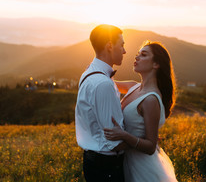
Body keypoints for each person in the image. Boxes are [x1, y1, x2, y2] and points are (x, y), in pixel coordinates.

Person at [104, 41, 178, 182]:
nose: (137, 57)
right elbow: (106, 81)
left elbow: (150, 147)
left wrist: (124, 135)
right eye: (138, 54)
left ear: (156, 64)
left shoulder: (151, 100)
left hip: (142, 168)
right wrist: (95, 69)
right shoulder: (133, 87)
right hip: (125, 161)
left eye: (143, 55)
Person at [75, 24, 127, 182]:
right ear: (110, 46)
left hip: (96, 163)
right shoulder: (102, 84)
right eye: (122, 45)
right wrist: (144, 141)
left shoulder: (89, 73)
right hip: (107, 168)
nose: (124, 51)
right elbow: (115, 142)